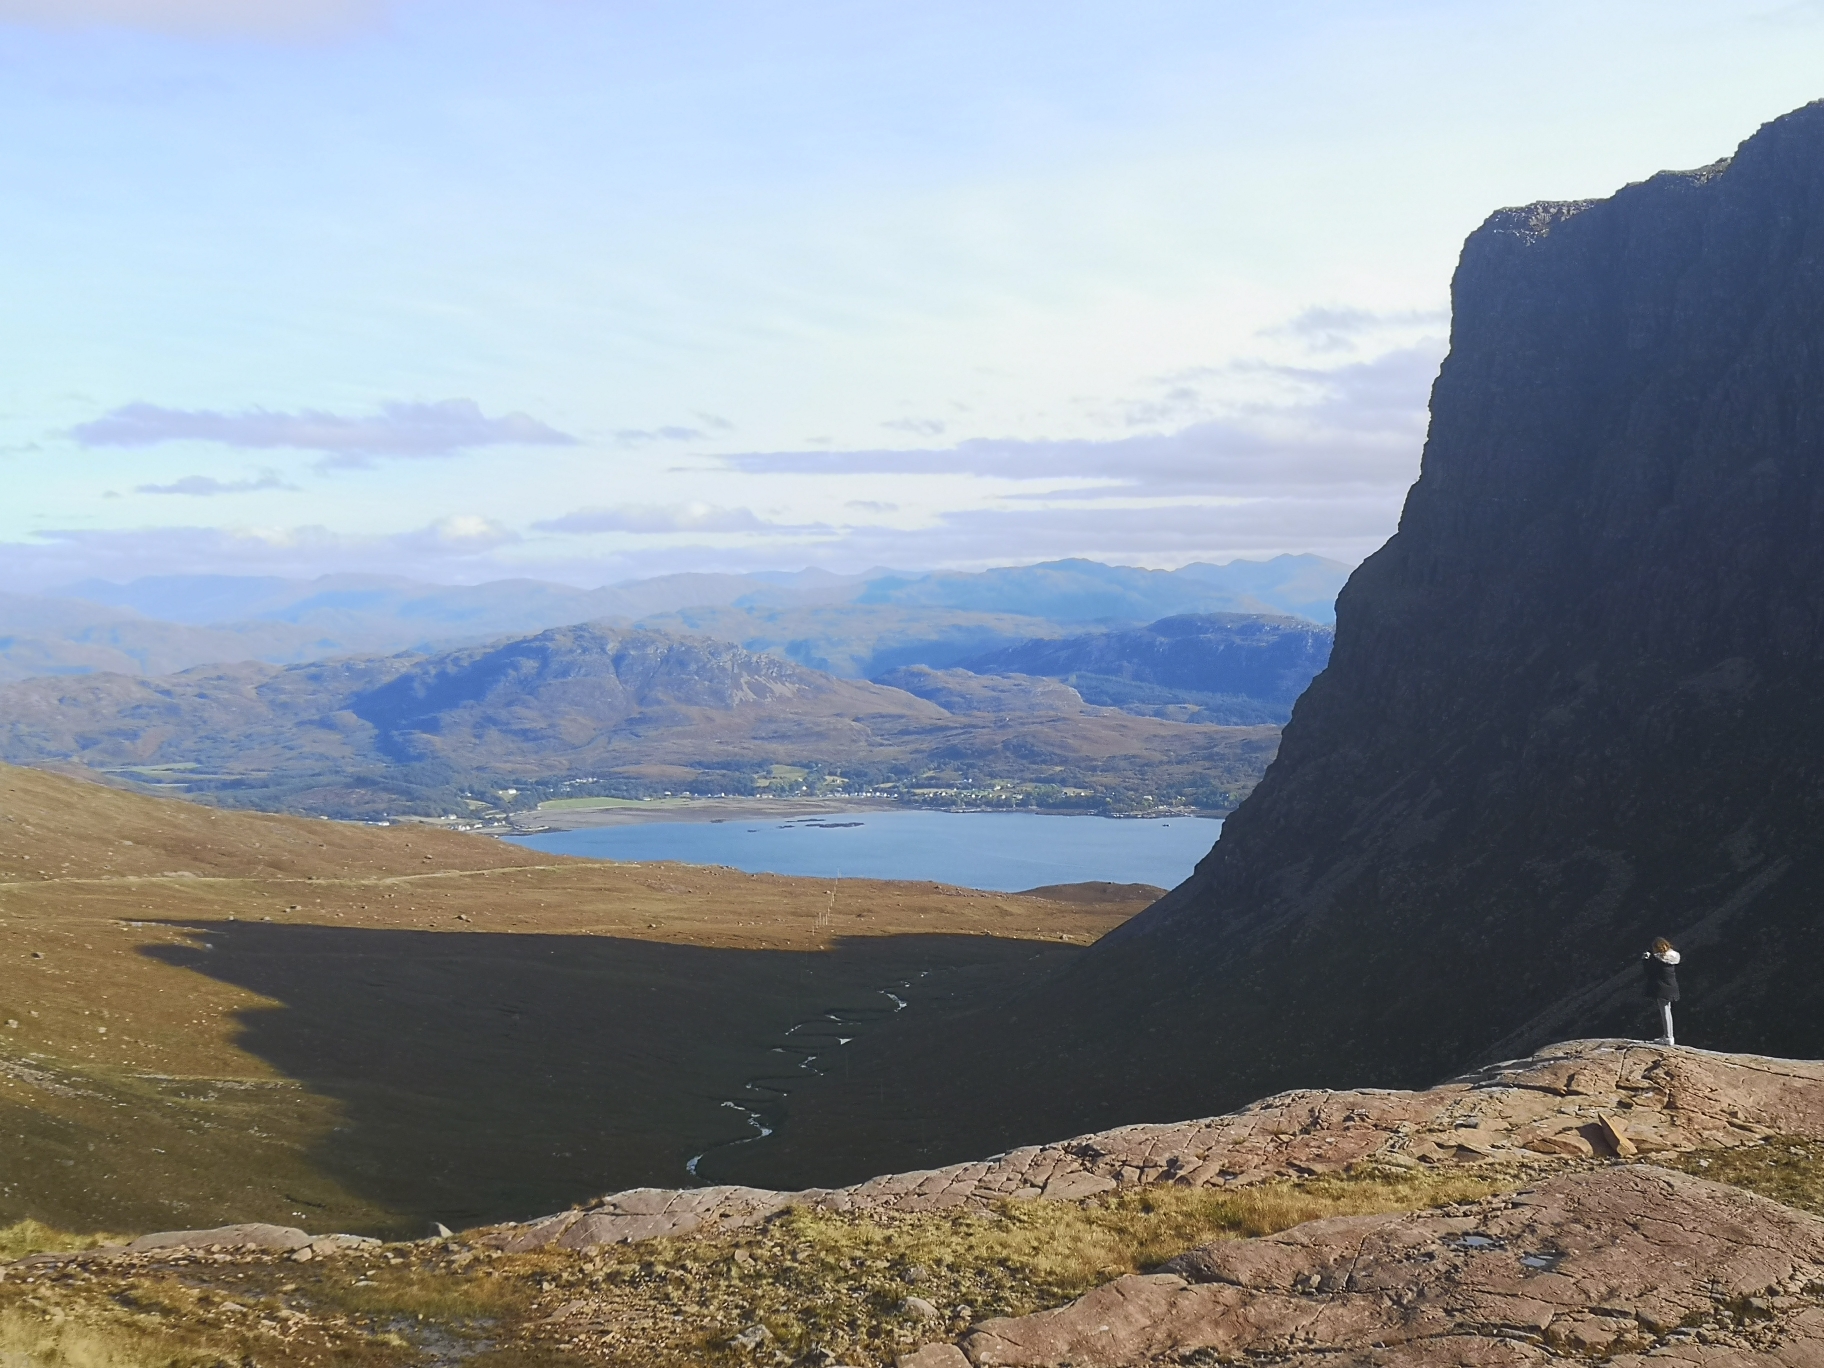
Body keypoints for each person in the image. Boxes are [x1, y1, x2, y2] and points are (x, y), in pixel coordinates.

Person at [1642, 937, 1680, 1045]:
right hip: (1672, 987)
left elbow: (1649, 972)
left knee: (1665, 1012)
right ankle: (1668, 1035)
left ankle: (1668, 1037)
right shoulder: (1671, 959)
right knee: (1668, 1011)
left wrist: (1646, 960)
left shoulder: (1657, 960)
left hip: (1662, 988)